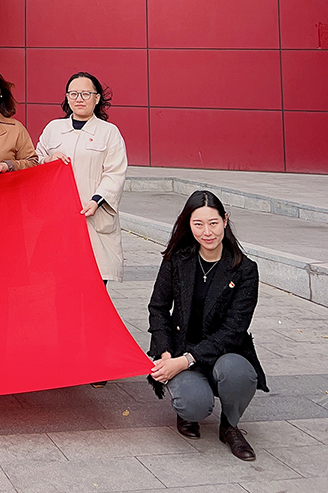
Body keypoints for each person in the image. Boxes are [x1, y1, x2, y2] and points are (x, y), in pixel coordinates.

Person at [148, 189, 268, 461]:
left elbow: (233, 331)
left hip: (226, 354)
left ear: (225, 220)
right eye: (198, 224)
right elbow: (158, 308)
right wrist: (166, 353)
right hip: (182, 348)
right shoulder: (177, 259)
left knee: (238, 373)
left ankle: (229, 425)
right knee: (193, 405)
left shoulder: (245, 269)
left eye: (213, 223)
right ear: (188, 225)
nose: (207, 232)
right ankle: (188, 409)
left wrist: (185, 361)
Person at [35, 72, 127, 284]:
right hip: (58, 217)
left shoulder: (109, 132)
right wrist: (47, 160)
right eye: (74, 93)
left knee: (94, 284)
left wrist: (96, 201)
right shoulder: (53, 129)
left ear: (97, 98)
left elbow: (115, 173)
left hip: (93, 215)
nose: (79, 99)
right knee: (60, 284)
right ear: (67, 98)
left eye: (86, 94)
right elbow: (35, 160)